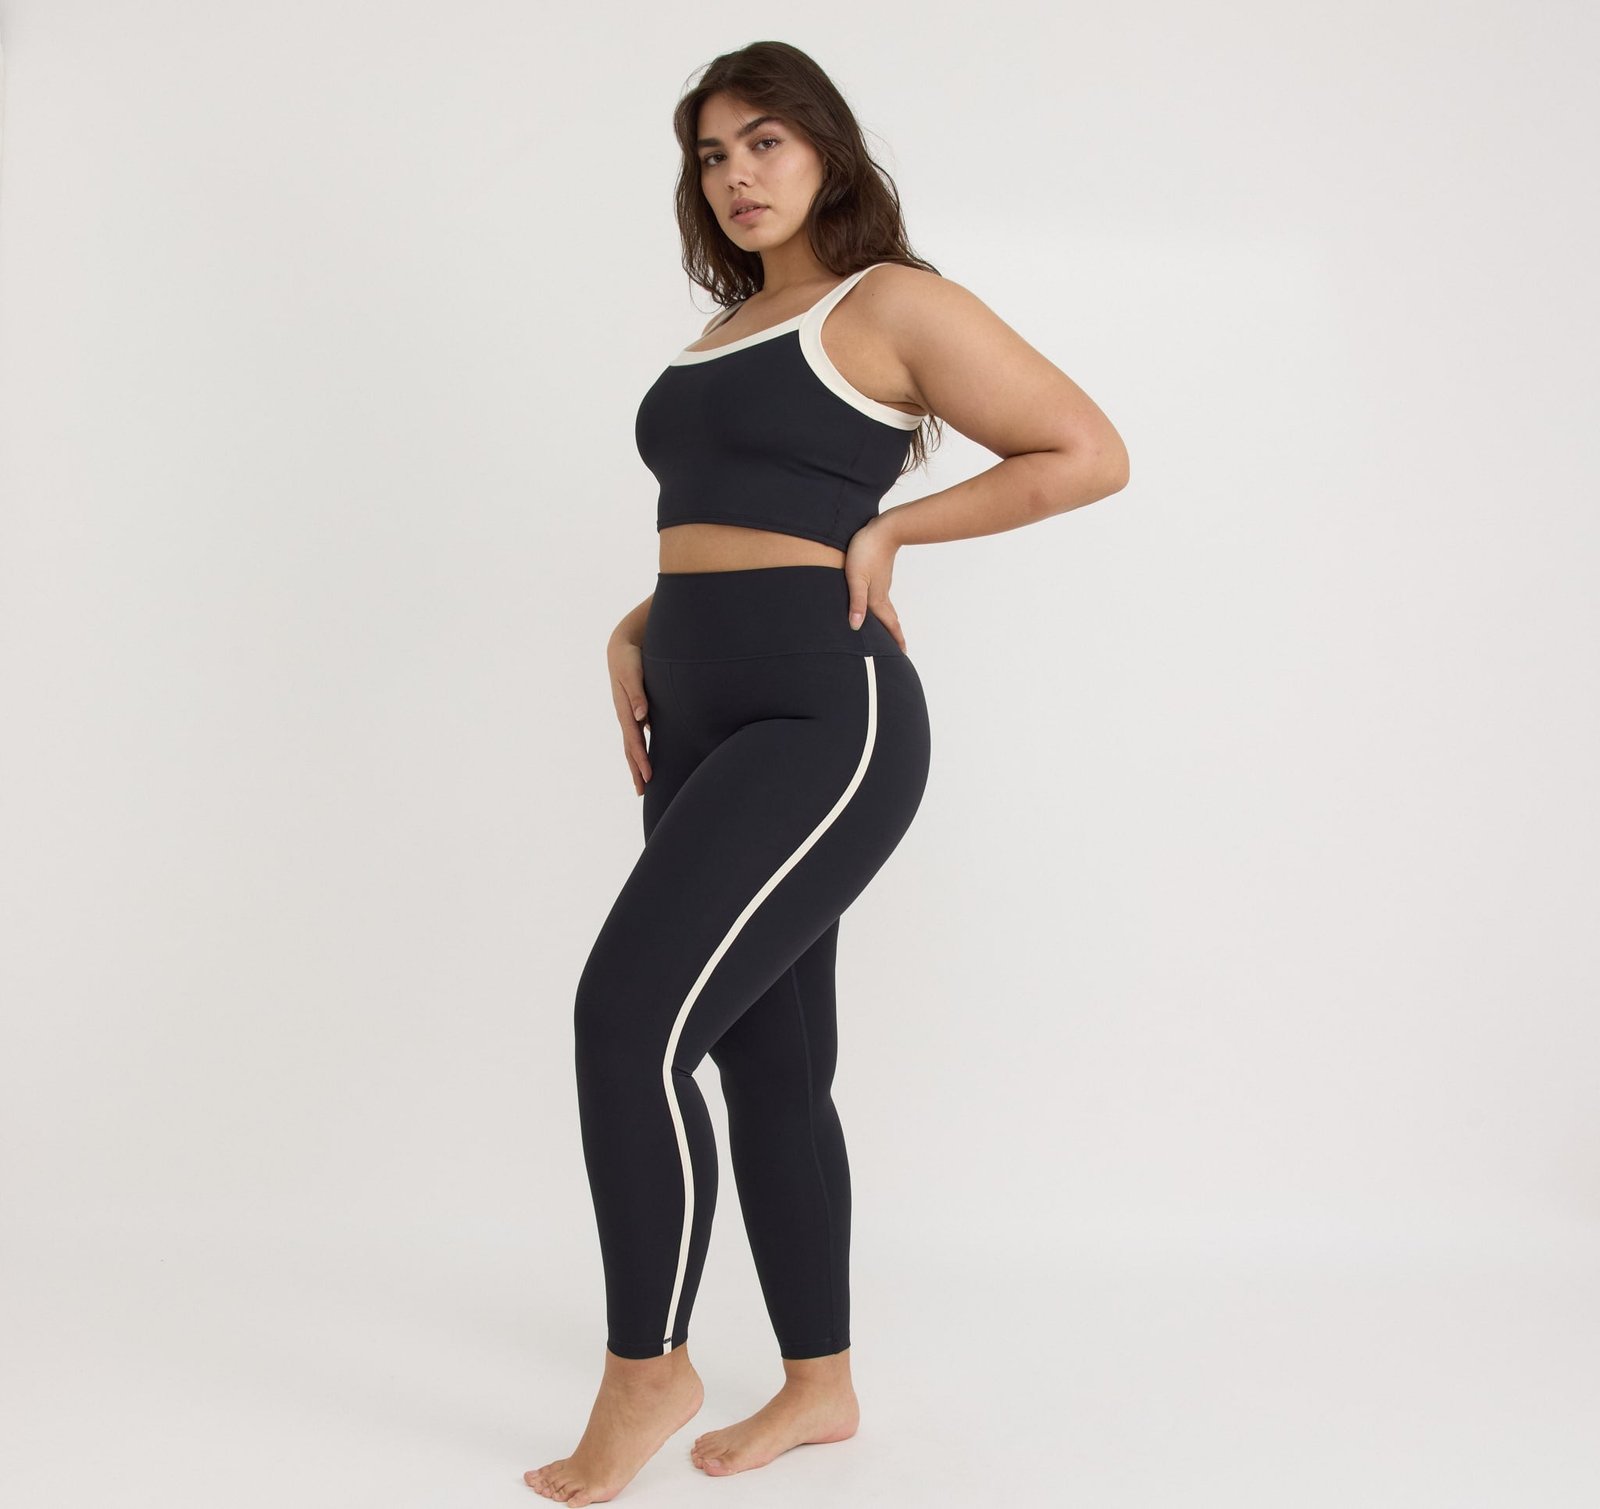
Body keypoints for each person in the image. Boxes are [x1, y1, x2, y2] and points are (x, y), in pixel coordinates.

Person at [526, 40, 1129, 1506]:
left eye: (765, 143)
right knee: (769, 1063)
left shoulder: (891, 304)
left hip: (823, 712)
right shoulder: (728, 329)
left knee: (628, 1022)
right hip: (697, 710)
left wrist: (895, 530)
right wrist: (645, 617)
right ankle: (821, 1383)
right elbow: (722, 515)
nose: (736, 175)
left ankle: (647, 1368)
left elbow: (1084, 450)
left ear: (826, 150)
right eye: (711, 155)